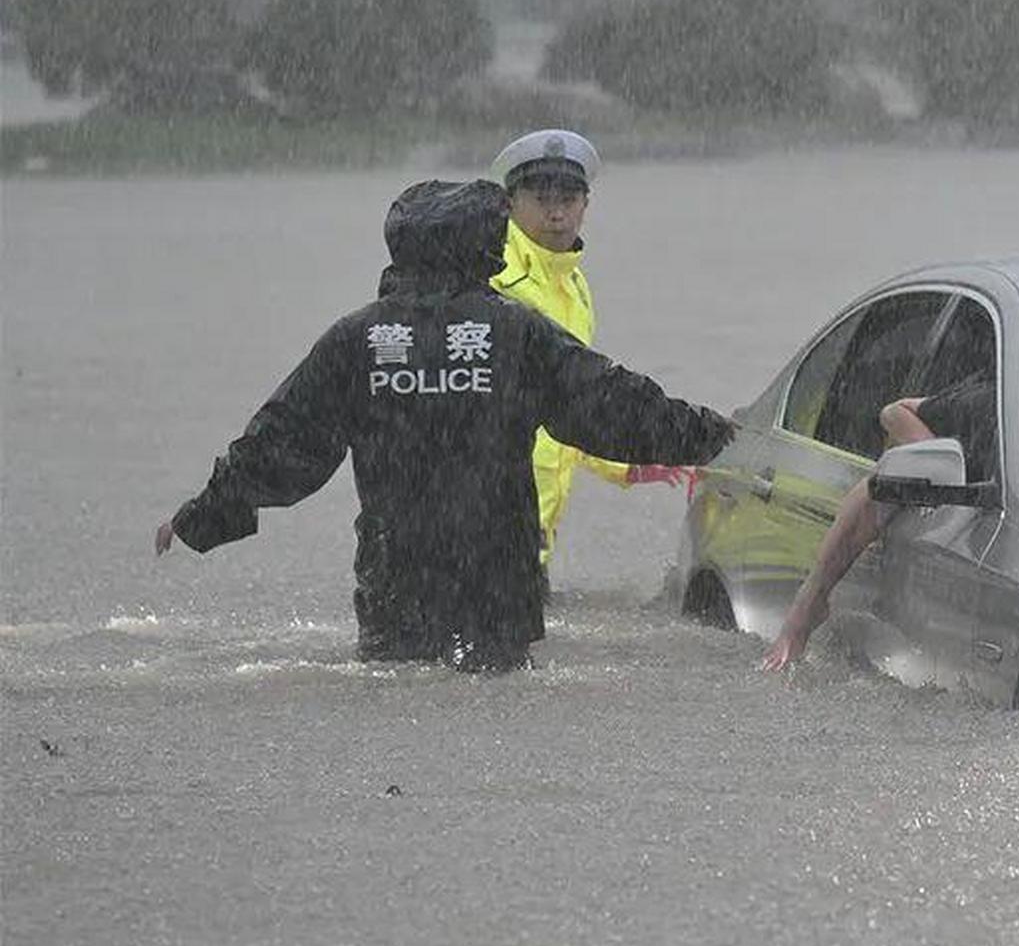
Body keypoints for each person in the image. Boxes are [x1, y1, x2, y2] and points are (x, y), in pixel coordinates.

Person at [154, 179, 734, 672]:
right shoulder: (515, 334)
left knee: (401, 706)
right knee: (494, 713)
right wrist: (718, 439)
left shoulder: (357, 340)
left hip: (396, 583)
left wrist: (204, 514)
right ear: (485, 246)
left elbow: (282, 443)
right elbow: (614, 405)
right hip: (498, 582)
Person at [487, 129, 685, 572]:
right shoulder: (493, 277)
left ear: (586, 205)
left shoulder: (574, 287)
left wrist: (628, 461)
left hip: (532, 528)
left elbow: (575, 400)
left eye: (569, 198)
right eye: (541, 198)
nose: (556, 212)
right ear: (510, 203)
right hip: (488, 517)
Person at [757, 372, 995, 671]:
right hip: (868, 498)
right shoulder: (990, 403)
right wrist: (931, 459)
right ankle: (806, 609)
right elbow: (895, 411)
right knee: (878, 488)